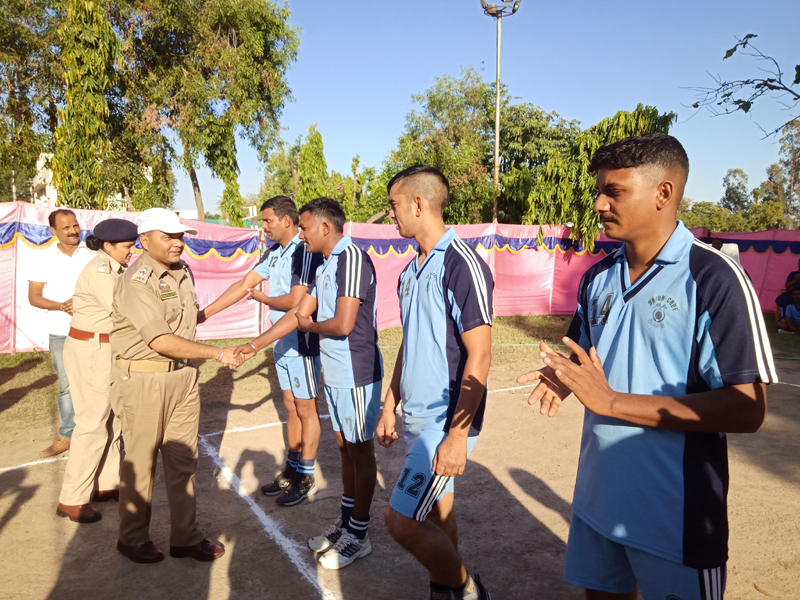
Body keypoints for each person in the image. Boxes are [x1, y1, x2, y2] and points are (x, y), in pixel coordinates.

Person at [518, 133, 776, 600]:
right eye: (599, 189)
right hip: (599, 499)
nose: (598, 203)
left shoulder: (713, 278)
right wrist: (563, 379)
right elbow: (586, 356)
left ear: (664, 193)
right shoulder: (598, 277)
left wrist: (612, 402)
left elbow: (748, 408)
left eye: (613, 191)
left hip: (673, 518)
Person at [234, 197, 383, 570]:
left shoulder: (351, 258)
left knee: (360, 453)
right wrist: (254, 345)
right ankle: (346, 523)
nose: (301, 234)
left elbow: (343, 324)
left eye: (304, 227)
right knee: (344, 448)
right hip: (335, 370)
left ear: (325, 227)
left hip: (356, 371)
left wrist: (309, 327)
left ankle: (359, 534)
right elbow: (300, 312)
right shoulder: (328, 263)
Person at [376, 165, 494, 600]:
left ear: (418, 203)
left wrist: (456, 435)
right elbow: (411, 340)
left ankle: (466, 589)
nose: (392, 215)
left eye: (394, 205)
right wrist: (390, 403)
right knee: (439, 510)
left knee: (400, 520)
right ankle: (443, 588)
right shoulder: (410, 271)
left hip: (446, 421)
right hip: (416, 414)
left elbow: (480, 353)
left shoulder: (463, 264)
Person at [110, 208, 242, 564]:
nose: (177, 242)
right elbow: (161, 340)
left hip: (183, 377)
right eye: (168, 236)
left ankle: (185, 537)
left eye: (180, 235)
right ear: (145, 240)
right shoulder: (136, 279)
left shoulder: (183, 272)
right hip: (143, 378)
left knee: (184, 460)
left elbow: (189, 320)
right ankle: (132, 538)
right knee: (140, 461)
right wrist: (218, 353)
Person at [200, 196, 324, 505]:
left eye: (266, 220)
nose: (263, 226)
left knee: (306, 408)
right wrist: (204, 314)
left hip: (302, 342)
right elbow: (244, 284)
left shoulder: (304, 250)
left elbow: (297, 303)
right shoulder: (275, 252)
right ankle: (293, 469)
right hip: (279, 340)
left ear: (286, 220)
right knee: (291, 405)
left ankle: (305, 474)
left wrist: (264, 300)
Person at [56, 219, 139, 524]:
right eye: (128, 247)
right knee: (91, 422)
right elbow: (124, 310)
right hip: (92, 349)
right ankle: (72, 498)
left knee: (112, 420)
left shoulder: (113, 267)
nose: (132, 252)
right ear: (108, 246)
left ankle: (104, 485)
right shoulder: (101, 271)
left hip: (105, 348)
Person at [28, 209, 95, 457]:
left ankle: (101, 433)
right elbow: (34, 297)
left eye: (75, 226)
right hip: (60, 333)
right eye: (66, 227)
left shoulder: (94, 254)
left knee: (99, 383)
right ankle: (67, 435)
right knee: (67, 386)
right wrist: (62, 306)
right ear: (53, 231)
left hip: (95, 330)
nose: (73, 231)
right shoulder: (43, 258)